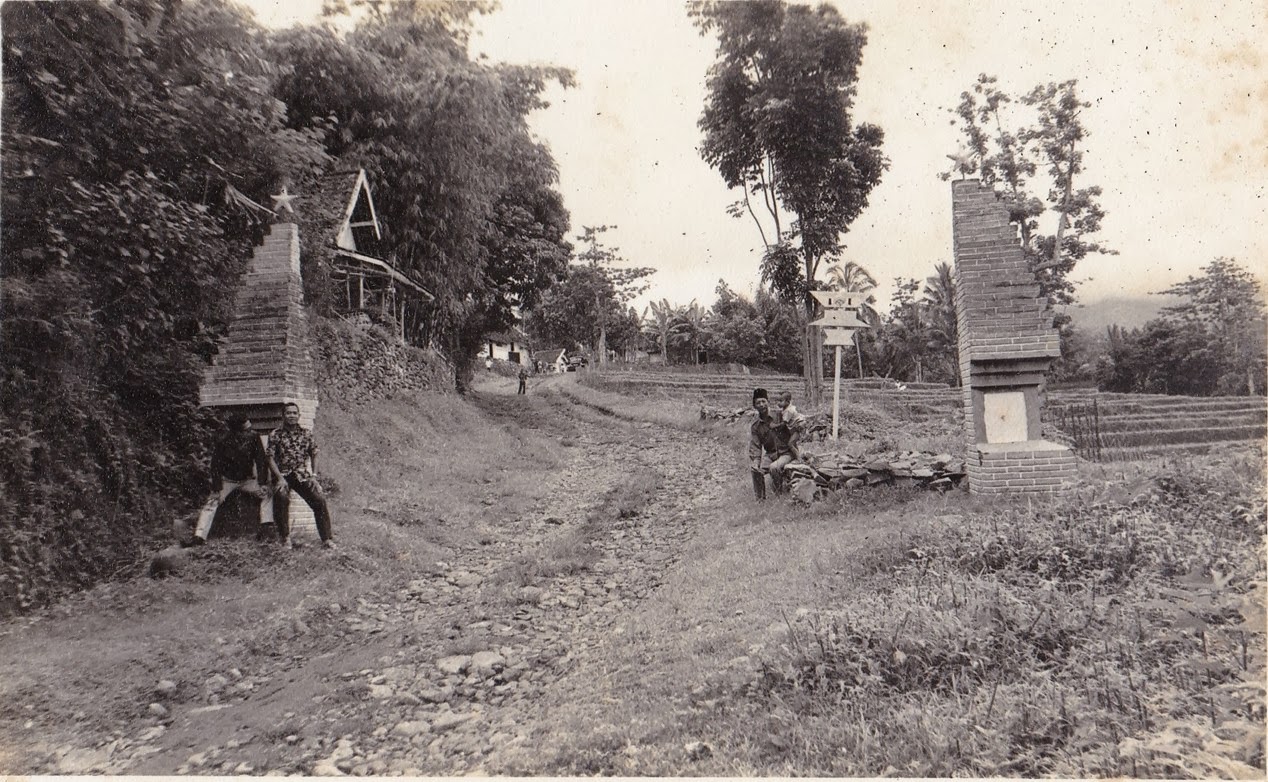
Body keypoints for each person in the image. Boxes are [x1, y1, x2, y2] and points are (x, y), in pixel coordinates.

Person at [185, 414, 281, 546]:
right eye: (245, 429)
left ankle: (266, 526)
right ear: (236, 429)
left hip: (247, 480)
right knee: (212, 502)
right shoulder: (223, 440)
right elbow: (216, 466)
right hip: (228, 481)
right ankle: (199, 537)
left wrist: (262, 483)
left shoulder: (254, 437)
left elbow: (260, 461)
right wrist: (217, 489)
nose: (249, 430)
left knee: (267, 493)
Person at [269, 402, 335, 549]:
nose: (291, 416)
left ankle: (327, 539)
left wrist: (313, 475)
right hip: (283, 475)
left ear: (299, 415)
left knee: (319, 500)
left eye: (294, 413)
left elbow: (314, 453)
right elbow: (270, 458)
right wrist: (279, 478)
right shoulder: (275, 434)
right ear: (283, 415)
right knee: (281, 497)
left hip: (301, 475)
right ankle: (285, 537)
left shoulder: (306, 434)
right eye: (288, 413)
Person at [748, 388, 796, 500]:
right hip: (770, 455)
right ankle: (760, 500)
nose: (761, 405)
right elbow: (756, 445)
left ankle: (779, 496)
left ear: (768, 402)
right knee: (755, 470)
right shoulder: (756, 426)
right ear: (754, 406)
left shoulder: (780, 415)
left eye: (763, 401)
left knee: (774, 467)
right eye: (758, 403)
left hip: (786, 453)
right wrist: (756, 461)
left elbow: (794, 427)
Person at [775, 390, 808, 460]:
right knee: (793, 443)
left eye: (780, 401)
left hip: (798, 427)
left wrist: (776, 427)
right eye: (777, 401)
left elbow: (784, 424)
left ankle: (799, 459)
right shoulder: (787, 408)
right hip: (795, 427)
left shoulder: (788, 411)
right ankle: (798, 456)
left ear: (787, 401)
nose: (778, 403)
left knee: (790, 444)